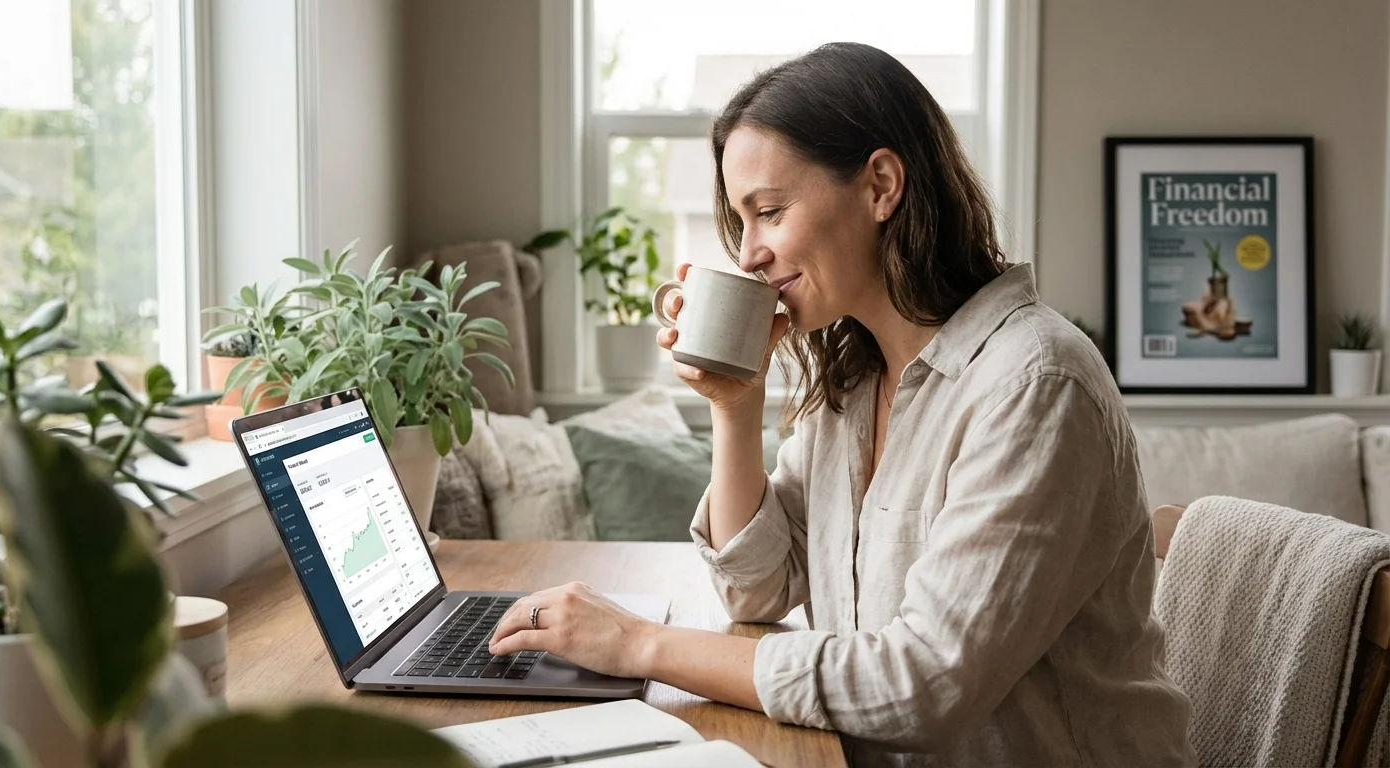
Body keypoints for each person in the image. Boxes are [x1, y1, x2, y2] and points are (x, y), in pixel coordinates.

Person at [490, 42, 1195, 766]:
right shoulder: (856, 380)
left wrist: (639, 642)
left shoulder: (1035, 385)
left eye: (769, 211)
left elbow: (923, 685)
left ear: (881, 185)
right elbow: (757, 589)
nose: (750, 253)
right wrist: (736, 406)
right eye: (743, 222)